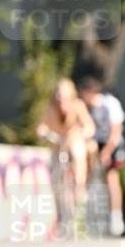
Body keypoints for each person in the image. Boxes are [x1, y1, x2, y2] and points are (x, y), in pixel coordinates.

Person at [78, 77, 125, 237]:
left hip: (112, 143)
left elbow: (115, 132)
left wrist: (106, 152)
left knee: (112, 177)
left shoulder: (109, 103)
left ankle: (116, 215)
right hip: (96, 143)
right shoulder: (86, 107)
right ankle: (84, 206)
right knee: (87, 170)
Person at [37, 78, 96, 209]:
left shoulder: (77, 105)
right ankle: (58, 203)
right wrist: (44, 133)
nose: (61, 98)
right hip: (58, 144)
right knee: (54, 170)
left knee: (77, 153)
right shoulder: (51, 108)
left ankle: (79, 188)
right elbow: (42, 126)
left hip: (74, 141)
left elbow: (89, 126)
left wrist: (81, 133)